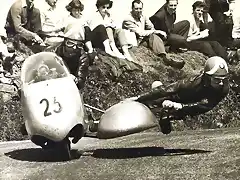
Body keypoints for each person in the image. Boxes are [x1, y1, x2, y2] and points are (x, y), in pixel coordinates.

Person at [129, 56, 229, 134]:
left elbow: (205, 106)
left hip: (192, 106)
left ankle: (166, 115)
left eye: (223, 79)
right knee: (155, 96)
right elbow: (168, 89)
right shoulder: (192, 82)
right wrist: (137, 98)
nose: (220, 83)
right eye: (217, 79)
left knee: (165, 115)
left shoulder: (223, 88)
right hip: (178, 98)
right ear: (207, 77)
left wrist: (180, 106)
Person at [122, 0, 185, 69]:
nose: (139, 10)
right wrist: (155, 31)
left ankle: (166, 52)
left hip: (144, 39)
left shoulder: (143, 16)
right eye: (136, 8)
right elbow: (140, 33)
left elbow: (151, 27)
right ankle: (165, 58)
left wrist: (154, 31)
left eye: (140, 8)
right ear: (132, 8)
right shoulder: (128, 19)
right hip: (136, 43)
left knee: (154, 35)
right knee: (153, 35)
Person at [56, 24, 91, 90]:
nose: (75, 48)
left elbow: (81, 82)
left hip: (70, 88)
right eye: (70, 43)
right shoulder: (55, 51)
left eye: (79, 45)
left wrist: (75, 79)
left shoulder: (83, 57)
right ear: (64, 41)